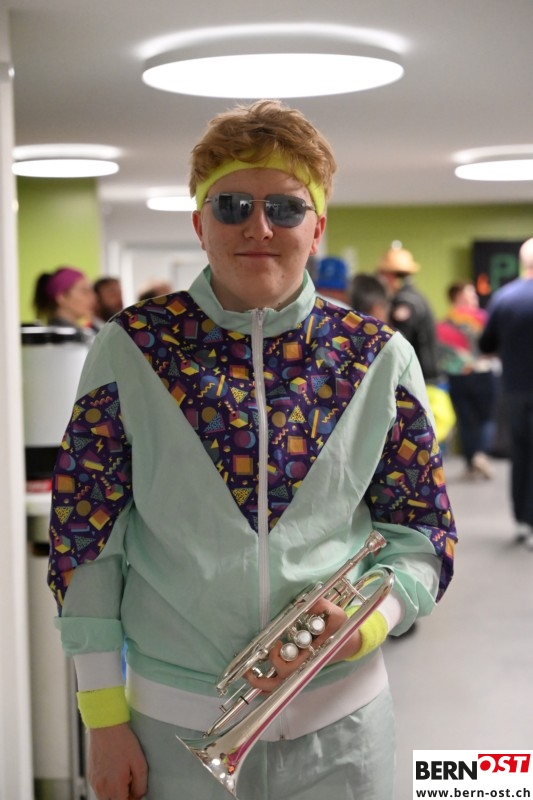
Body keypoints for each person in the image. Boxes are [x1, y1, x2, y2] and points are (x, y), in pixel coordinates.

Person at [47, 100, 457, 800]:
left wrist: (366, 625)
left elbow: (421, 532)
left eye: (286, 208)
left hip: (344, 729)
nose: (258, 228)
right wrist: (102, 715)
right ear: (199, 224)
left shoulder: (378, 356)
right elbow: (87, 537)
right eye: (232, 205)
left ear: (317, 227)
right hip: (169, 729)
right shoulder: (131, 348)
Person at [479, 237, 533, 548]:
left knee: (521, 454)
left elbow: (486, 343)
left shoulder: (504, 298)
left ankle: (522, 520)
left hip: (514, 388)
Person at [436, 281, 496, 480]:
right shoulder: (482, 318)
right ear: (458, 296)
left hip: (457, 376)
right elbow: (493, 345)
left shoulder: (443, 324)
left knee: (465, 420)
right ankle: (480, 454)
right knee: (485, 418)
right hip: (482, 373)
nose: (474, 298)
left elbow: (441, 355)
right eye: (471, 294)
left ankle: (471, 462)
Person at [376, 244, 440, 382]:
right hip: (425, 377)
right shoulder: (413, 296)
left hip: (421, 379)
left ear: (391, 276)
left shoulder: (405, 301)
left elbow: (398, 340)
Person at [33, 265, 96, 333]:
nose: (93, 297)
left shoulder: (79, 332)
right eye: (84, 291)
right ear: (61, 297)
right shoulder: (61, 335)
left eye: (91, 291)